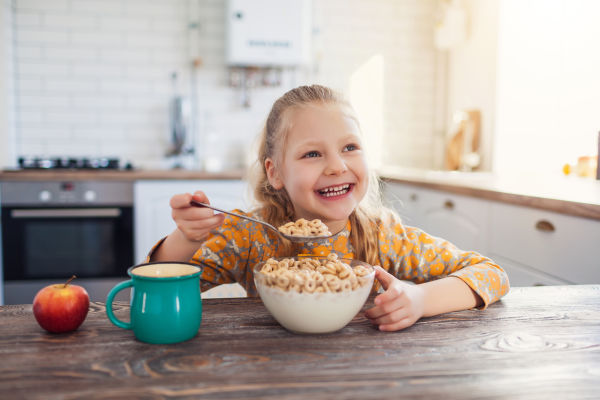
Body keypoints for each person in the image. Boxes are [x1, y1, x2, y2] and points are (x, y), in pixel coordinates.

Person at [150, 84, 510, 332]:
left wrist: (419, 299)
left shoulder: (383, 236)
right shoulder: (249, 235)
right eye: (312, 154)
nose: (337, 166)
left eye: (350, 147)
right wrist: (186, 237)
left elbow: (491, 274)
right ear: (275, 173)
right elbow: (156, 291)